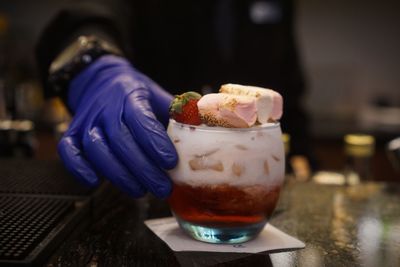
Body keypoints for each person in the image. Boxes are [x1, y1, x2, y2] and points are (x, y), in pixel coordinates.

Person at [36, 0, 311, 198]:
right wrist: (96, 66)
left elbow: (290, 86)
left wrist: (299, 154)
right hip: (151, 179)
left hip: (253, 186)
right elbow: (91, 15)